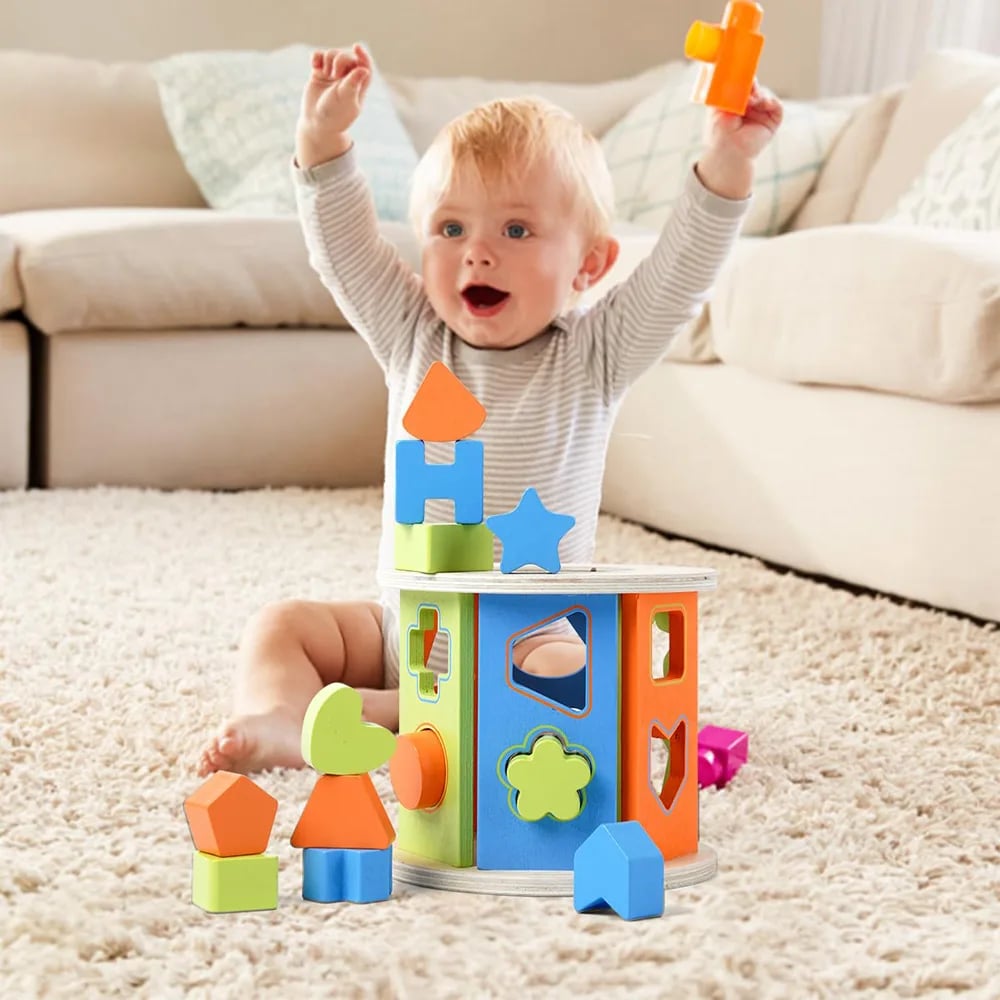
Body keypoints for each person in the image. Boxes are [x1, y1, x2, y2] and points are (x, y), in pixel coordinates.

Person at [197, 43, 783, 777]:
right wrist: (323, 140)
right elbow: (342, 249)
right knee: (281, 626)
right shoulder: (412, 333)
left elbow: (681, 273)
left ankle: (392, 715)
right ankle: (283, 717)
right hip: (406, 632)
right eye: (451, 230)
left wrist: (727, 162)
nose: (476, 253)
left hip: (527, 642)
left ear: (589, 265)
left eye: (515, 230)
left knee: (569, 678)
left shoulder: (596, 354)